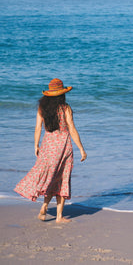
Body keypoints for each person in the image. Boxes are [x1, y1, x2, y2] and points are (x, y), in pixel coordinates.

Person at [14, 78, 87, 223]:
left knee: (50, 178)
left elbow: (37, 128)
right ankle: (58, 216)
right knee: (62, 179)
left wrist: (36, 145)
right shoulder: (65, 108)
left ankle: (45, 207)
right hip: (63, 146)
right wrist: (81, 149)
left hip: (48, 145)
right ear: (62, 94)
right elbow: (71, 128)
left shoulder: (42, 108)